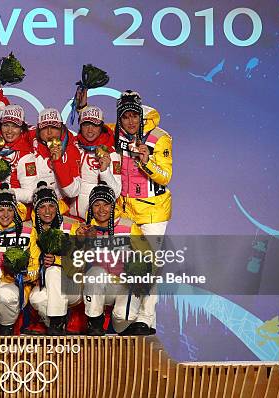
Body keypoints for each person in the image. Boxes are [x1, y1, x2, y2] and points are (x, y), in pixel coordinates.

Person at [113, 90, 172, 331]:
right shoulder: (115, 134)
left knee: (152, 264)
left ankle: (146, 318)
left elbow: (166, 176)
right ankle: (136, 321)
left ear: (140, 115)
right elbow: (90, 130)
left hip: (152, 211)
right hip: (125, 211)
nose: (130, 121)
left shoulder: (159, 138)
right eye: (125, 116)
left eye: (133, 116)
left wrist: (147, 161)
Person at [77, 182, 154, 336]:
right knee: (96, 272)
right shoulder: (83, 229)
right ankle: (95, 322)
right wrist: (83, 242)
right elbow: (74, 266)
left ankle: (126, 324)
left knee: (123, 316)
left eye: (106, 204)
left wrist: (140, 275)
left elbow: (148, 257)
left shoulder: (127, 226)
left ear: (113, 206)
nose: (101, 210)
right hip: (95, 286)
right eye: (96, 205)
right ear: (91, 208)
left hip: (123, 285)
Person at [0, 184, 36, 335]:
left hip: (15, 284)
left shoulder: (28, 230)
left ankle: (6, 326)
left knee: (5, 295)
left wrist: (25, 274)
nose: (5, 214)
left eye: (10, 210)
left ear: (15, 210)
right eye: (1, 210)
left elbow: (35, 263)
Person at [27, 182, 81, 335]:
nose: (47, 211)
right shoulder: (29, 229)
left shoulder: (73, 226)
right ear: (36, 210)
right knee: (37, 299)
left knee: (53, 272)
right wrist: (35, 274)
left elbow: (82, 260)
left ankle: (56, 322)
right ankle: (58, 322)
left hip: (73, 285)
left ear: (57, 207)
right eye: (42, 207)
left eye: (51, 206)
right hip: (45, 285)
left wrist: (56, 261)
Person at [0, 82, 37, 205]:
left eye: (14, 126)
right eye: (6, 125)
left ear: (22, 129)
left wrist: (4, 192)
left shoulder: (26, 156)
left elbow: (30, 193)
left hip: (12, 207)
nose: (9, 131)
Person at [70, 104, 122, 220]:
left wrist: (105, 171)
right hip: (71, 218)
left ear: (101, 127)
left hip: (97, 221)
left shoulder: (111, 152)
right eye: (86, 124)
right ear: (80, 125)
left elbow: (116, 192)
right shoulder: (73, 146)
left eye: (94, 125)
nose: (90, 130)